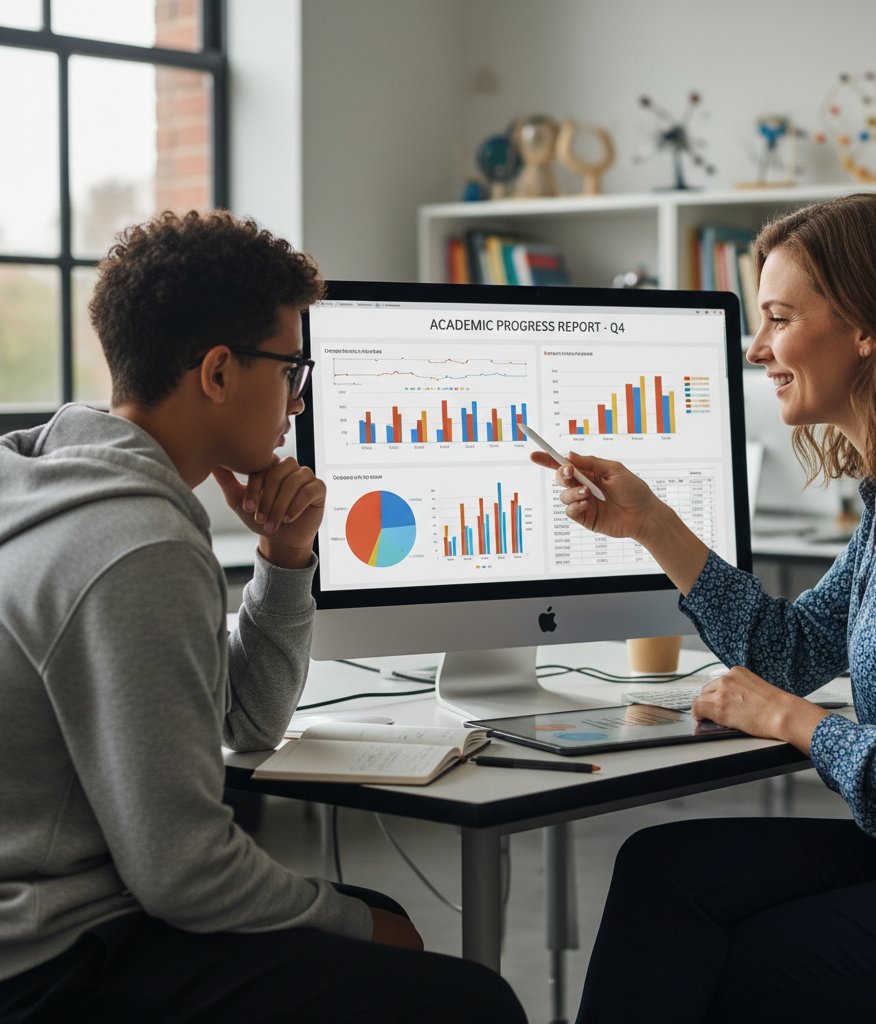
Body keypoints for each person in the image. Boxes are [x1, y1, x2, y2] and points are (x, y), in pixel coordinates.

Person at [0, 210, 526, 1023]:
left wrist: (285, 557)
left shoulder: (55, 475)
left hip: (57, 909)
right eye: (290, 369)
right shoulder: (136, 544)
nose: (296, 399)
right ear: (217, 372)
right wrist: (364, 927)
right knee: (470, 999)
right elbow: (184, 873)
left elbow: (244, 725)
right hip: (52, 960)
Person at [532, 193, 876, 1023]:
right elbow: (791, 647)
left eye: (779, 319)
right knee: (662, 870)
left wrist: (793, 721)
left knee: (736, 960)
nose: (757, 348)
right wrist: (651, 523)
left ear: (867, 326)